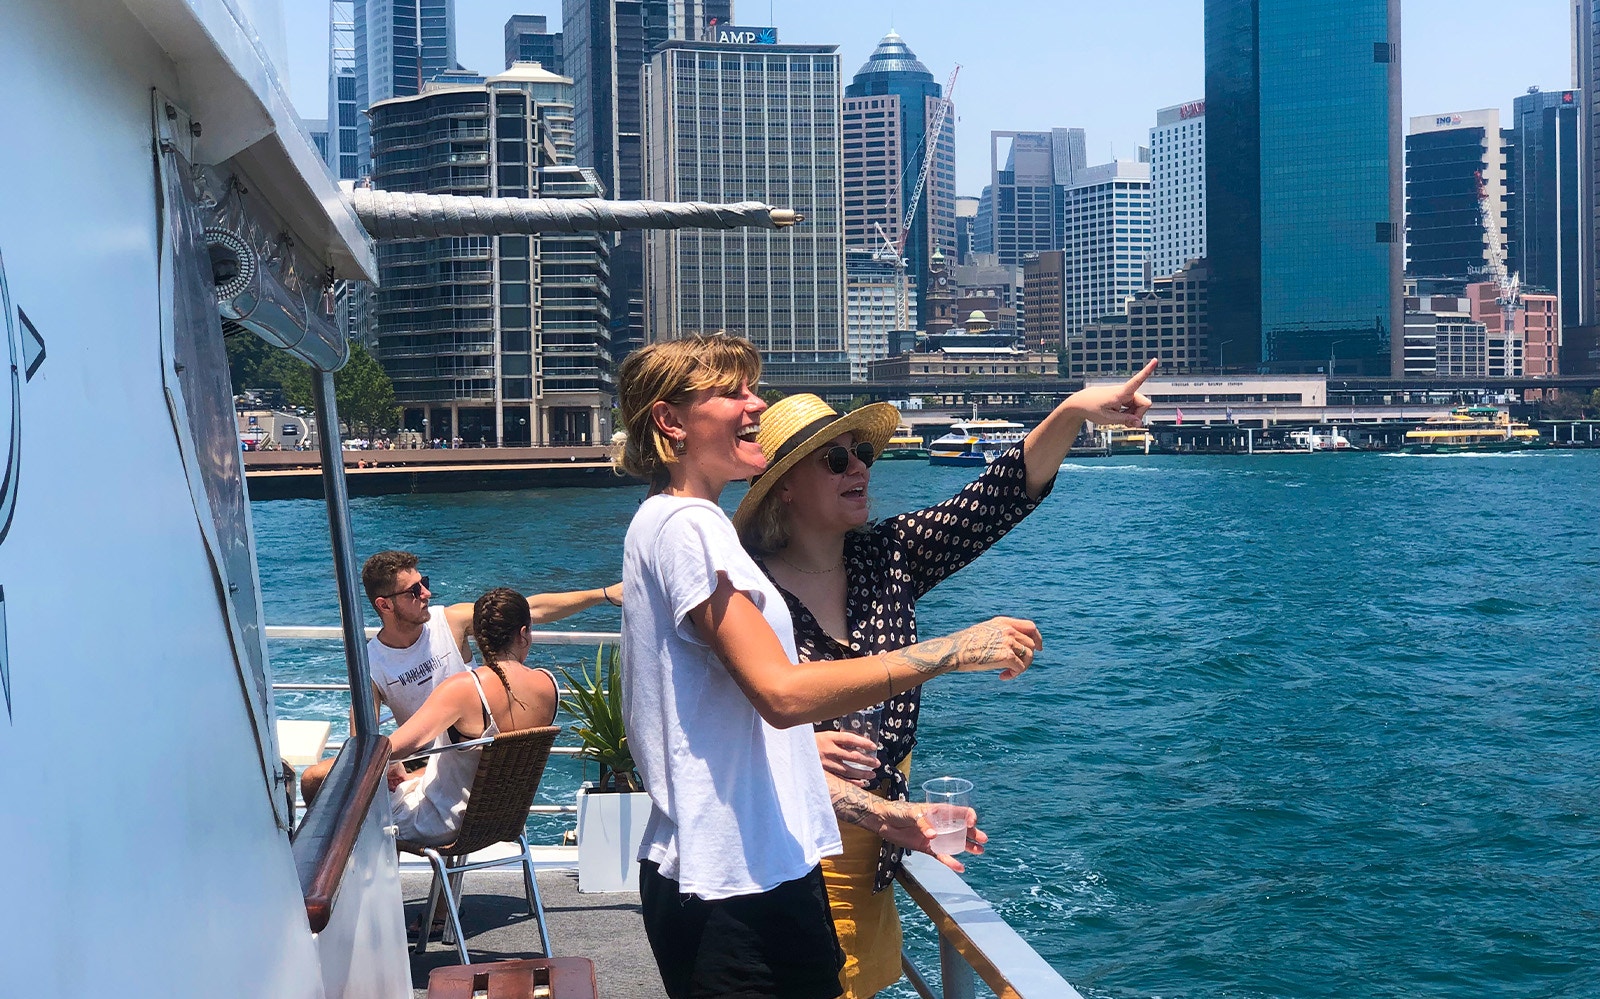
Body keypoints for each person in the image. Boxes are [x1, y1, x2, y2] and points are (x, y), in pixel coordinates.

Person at [615, 333, 1043, 999]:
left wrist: (882, 815)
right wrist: (950, 651)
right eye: (731, 392)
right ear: (671, 421)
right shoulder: (690, 528)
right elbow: (781, 694)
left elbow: (722, 715)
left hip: (748, 865)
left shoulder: (667, 521)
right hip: (738, 881)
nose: (752, 402)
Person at [730, 361, 1157, 999]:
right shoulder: (747, 588)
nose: (859, 468)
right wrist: (789, 744)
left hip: (881, 850)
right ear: (784, 486)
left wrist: (1072, 410)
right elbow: (713, 717)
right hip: (786, 854)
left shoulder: (887, 556)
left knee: (864, 982)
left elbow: (996, 499)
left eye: (862, 452)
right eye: (835, 459)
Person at [298, 550, 622, 803]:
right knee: (316, 779)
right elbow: (363, 740)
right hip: (412, 762)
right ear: (385, 605)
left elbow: (528, 610)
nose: (426, 593)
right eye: (414, 591)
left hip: (463, 763)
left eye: (424, 581)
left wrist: (603, 594)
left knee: (328, 784)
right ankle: (366, 874)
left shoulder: (449, 622)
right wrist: (393, 768)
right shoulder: (371, 663)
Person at [385, 588, 559, 845]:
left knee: (342, 803)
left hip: (443, 822)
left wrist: (393, 765)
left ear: (478, 636)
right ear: (523, 634)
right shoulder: (548, 685)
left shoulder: (464, 688)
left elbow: (390, 749)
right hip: (501, 821)